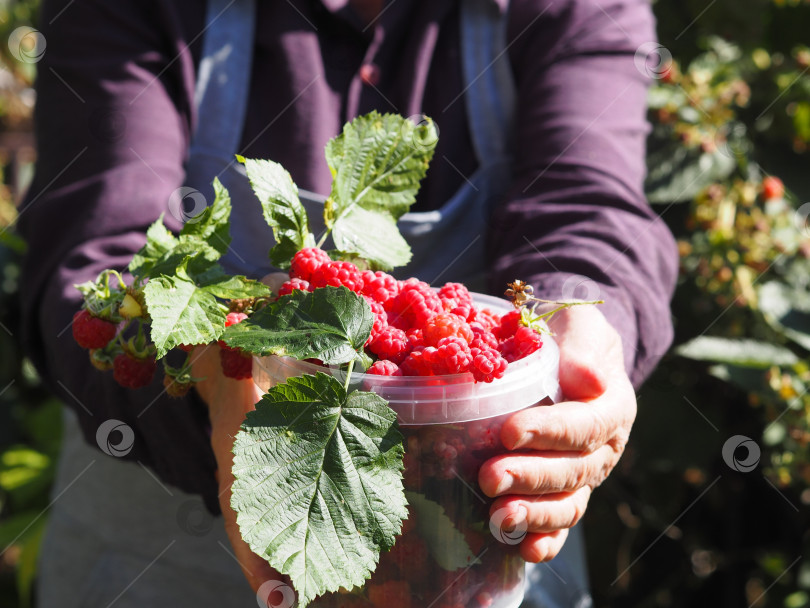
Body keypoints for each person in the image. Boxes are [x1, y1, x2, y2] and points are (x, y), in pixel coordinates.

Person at [18, 0, 677, 606]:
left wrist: (576, 319)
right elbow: (96, 252)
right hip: (159, 567)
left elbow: (588, 209)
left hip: (475, 552)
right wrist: (214, 374)